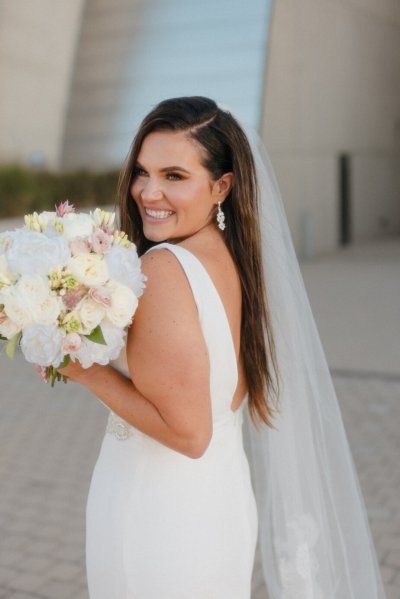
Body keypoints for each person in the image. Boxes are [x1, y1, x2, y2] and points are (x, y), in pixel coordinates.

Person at [59, 96, 387, 598]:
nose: (148, 192)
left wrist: (84, 370)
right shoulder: (232, 258)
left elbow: (190, 434)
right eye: (142, 172)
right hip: (218, 502)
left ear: (221, 186)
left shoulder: (164, 269)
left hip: (159, 514)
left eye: (174, 176)